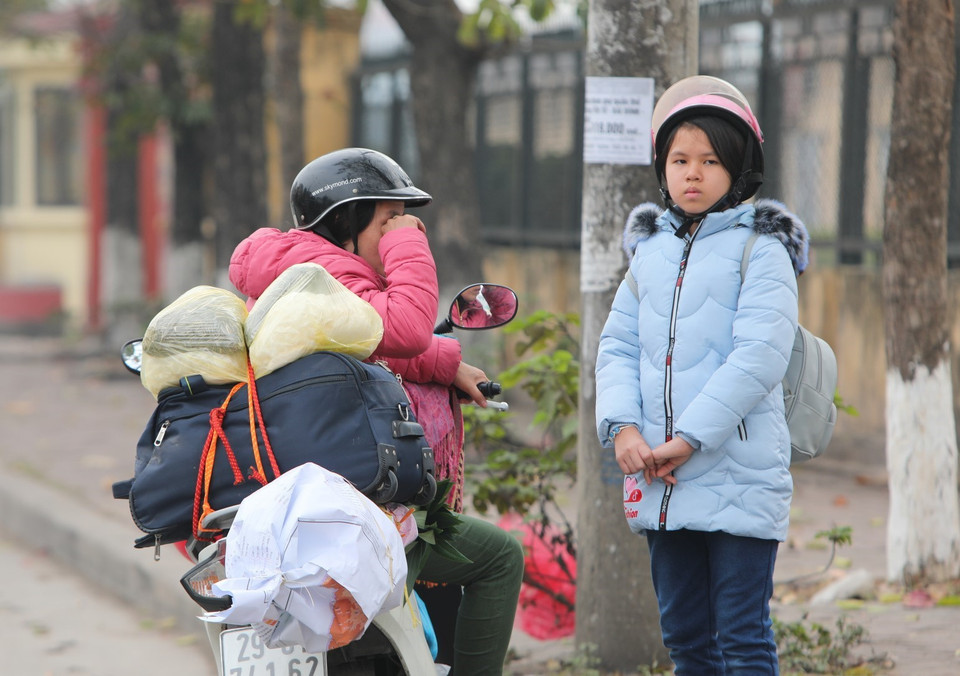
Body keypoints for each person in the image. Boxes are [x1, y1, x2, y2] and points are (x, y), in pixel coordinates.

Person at [229, 147, 523, 675]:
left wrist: (447, 363)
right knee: (500, 556)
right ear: (345, 223)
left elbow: (373, 343)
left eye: (403, 223)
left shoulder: (300, 274)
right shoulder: (325, 277)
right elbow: (406, 328)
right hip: (348, 504)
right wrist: (408, 245)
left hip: (292, 497)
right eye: (388, 220)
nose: (402, 229)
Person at [595, 76, 809, 674]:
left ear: (738, 167)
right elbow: (616, 345)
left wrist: (688, 439)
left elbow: (758, 356)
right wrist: (623, 429)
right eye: (680, 159)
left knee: (742, 638)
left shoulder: (761, 250)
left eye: (711, 160)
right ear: (661, 167)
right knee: (686, 640)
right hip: (663, 480)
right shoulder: (649, 254)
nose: (693, 173)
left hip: (738, 476)